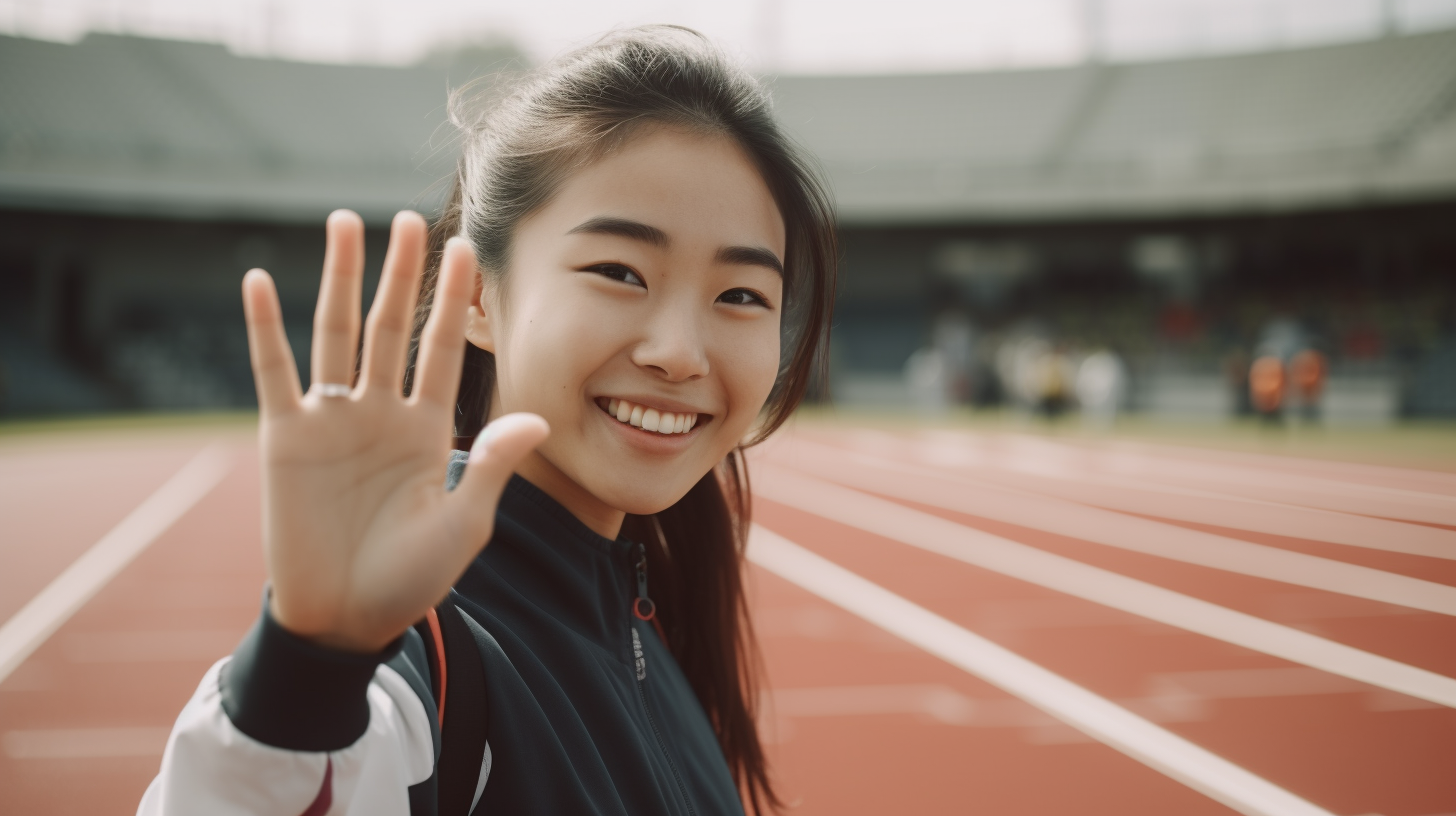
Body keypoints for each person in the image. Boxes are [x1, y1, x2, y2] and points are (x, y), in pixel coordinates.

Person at [137, 26, 836, 816]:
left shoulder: (648, 620)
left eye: (741, 294)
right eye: (619, 272)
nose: (680, 353)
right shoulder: (419, 654)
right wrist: (308, 663)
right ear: (475, 297)